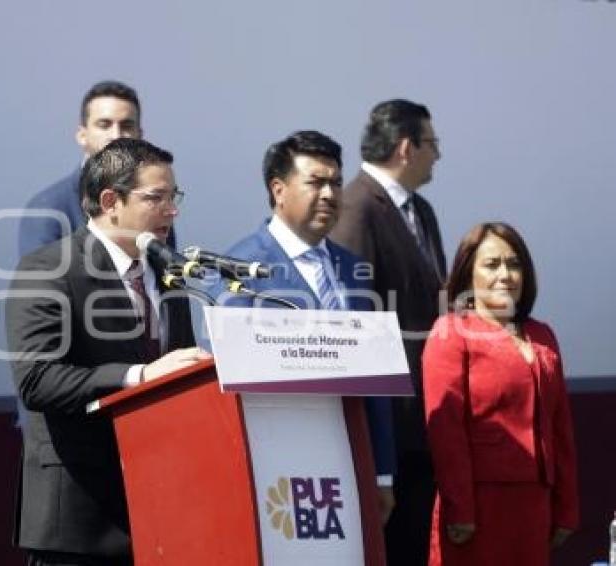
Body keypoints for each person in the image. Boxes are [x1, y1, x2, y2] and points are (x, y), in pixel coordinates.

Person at [6, 138, 207, 565]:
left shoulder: (169, 275)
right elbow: (36, 380)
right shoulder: (49, 268)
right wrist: (139, 376)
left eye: (176, 197)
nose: (172, 210)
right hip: (78, 521)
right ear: (110, 200)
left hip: (159, 514)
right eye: (156, 198)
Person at [220, 130, 395, 541]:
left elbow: (376, 379)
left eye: (335, 182)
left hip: (349, 464)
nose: (331, 194)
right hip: (279, 469)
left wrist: (383, 471)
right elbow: (230, 376)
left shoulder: (354, 268)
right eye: (316, 182)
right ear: (278, 190)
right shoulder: (239, 267)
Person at [330, 99, 446, 565]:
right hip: (389, 424)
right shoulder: (356, 208)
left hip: (424, 417)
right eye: (433, 144)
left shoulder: (421, 211)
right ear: (406, 147)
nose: (438, 155)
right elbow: (355, 318)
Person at [422, 222, 578, 565]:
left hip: (535, 507)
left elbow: (560, 427)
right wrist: (460, 506)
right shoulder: (451, 332)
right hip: (477, 506)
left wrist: (566, 506)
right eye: (492, 265)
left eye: (515, 264)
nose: (506, 275)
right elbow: (445, 429)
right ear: (467, 275)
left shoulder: (542, 335)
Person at [19, 80, 176, 256]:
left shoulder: (154, 209)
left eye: (126, 126)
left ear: (140, 135)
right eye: (104, 125)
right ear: (82, 135)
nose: (115, 135)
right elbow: (40, 277)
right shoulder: (47, 209)